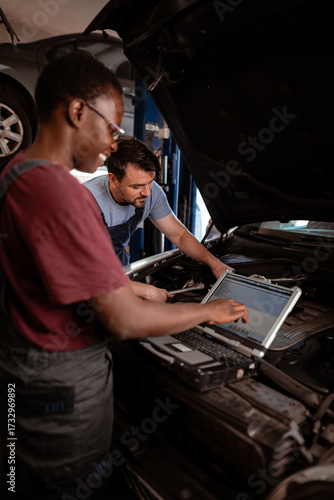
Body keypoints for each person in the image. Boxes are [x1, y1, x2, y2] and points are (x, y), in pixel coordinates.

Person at [0, 51, 247, 500]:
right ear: (77, 112)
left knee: (19, 479)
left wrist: (212, 264)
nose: (112, 143)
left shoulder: (13, 174)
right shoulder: (67, 197)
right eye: (112, 127)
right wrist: (207, 311)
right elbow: (125, 320)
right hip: (63, 398)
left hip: (21, 376)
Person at [84, 138, 232, 284]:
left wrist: (215, 264)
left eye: (150, 182)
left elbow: (179, 235)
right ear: (113, 180)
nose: (147, 193)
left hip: (118, 266)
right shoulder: (84, 202)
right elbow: (78, 268)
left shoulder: (151, 192)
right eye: (137, 186)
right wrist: (137, 289)